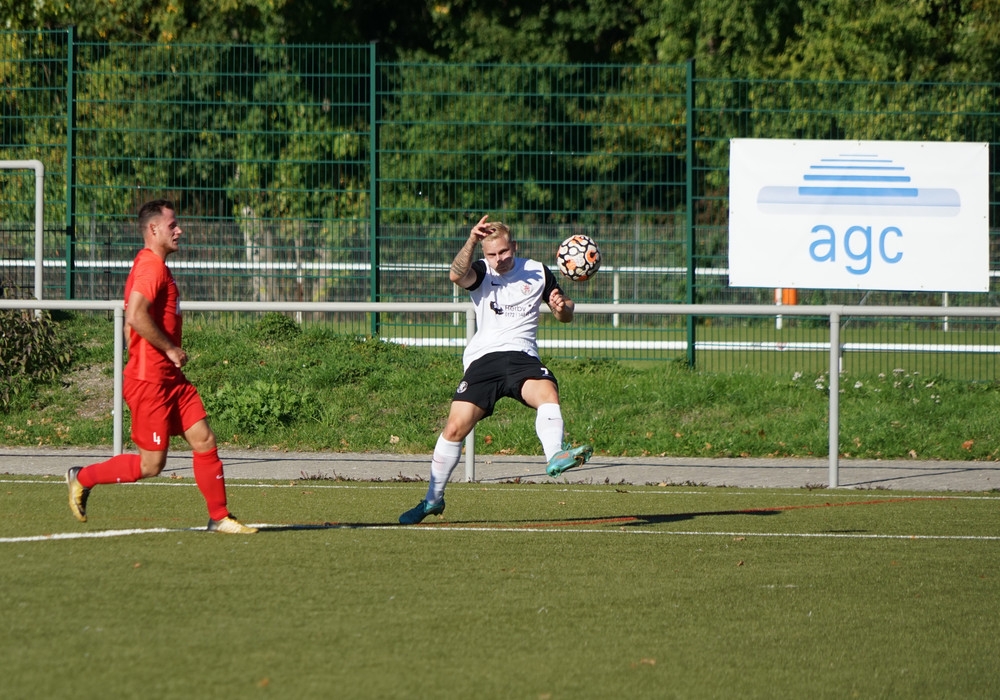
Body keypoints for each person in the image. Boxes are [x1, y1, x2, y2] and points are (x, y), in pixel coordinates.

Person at [65, 199, 256, 534]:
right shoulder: (151, 267)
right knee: (151, 465)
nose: (179, 230)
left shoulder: (153, 266)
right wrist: (168, 349)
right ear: (153, 229)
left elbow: (132, 323)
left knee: (204, 438)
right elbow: (135, 315)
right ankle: (82, 477)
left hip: (170, 380)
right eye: (172, 225)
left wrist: (151, 351)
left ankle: (220, 516)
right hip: (150, 382)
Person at [398, 215, 593, 524]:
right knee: (454, 428)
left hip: (522, 356)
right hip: (484, 360)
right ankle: (432, 500)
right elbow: (455, 275)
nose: (499, 259)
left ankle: (555, 454)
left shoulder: (537, 271)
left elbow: (565, 312)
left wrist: (561, 307)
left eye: (503, 252)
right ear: (484, 254)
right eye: (492, 254)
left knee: (547, 393)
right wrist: (471, 240)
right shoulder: (480, 271)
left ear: (514, 246)